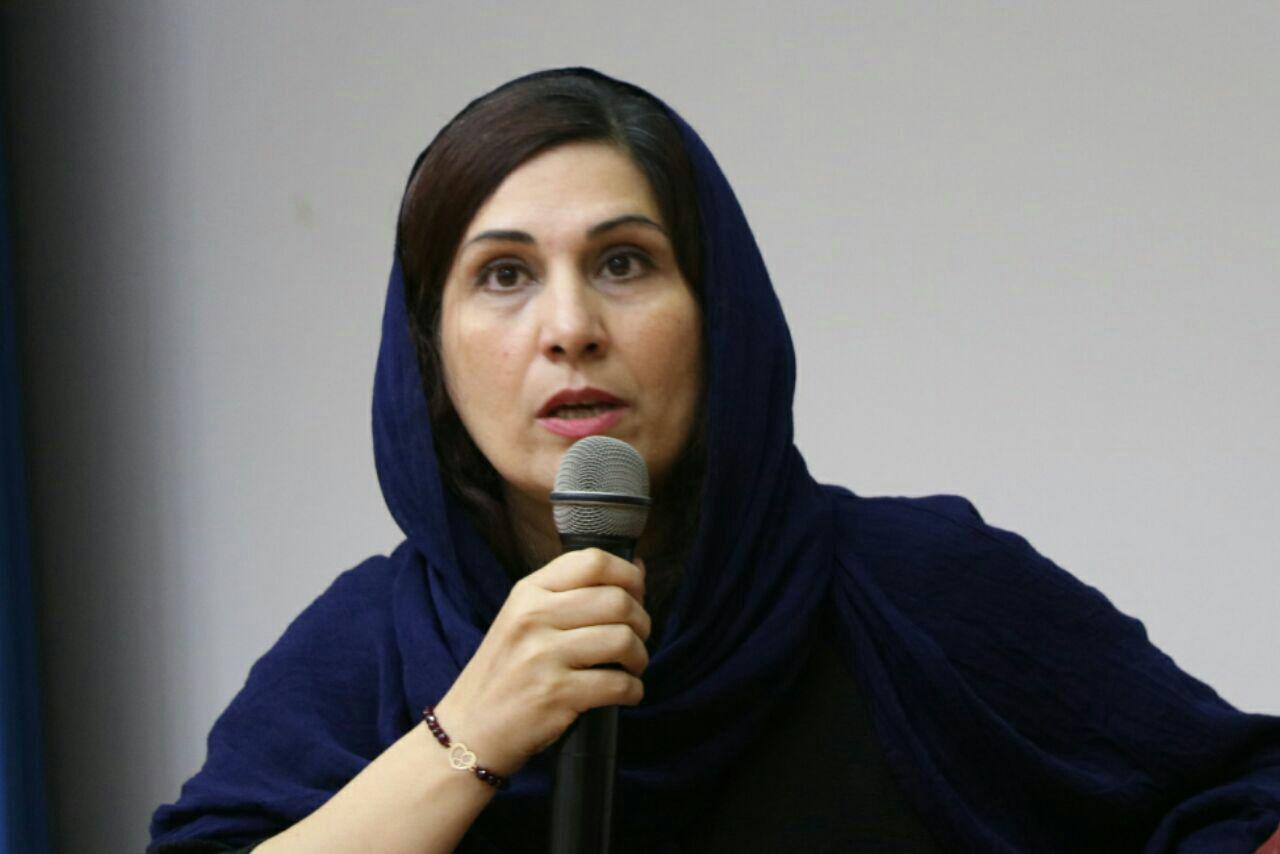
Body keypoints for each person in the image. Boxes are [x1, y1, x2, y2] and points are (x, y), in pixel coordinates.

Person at [147, 66, 1280, 853]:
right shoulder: (368, 652)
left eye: (625, 262)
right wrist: (472, 733)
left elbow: (1236, 796)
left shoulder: (918, 590)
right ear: (428, 356)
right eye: (503, 274)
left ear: (718, 311)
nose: (569, 326)